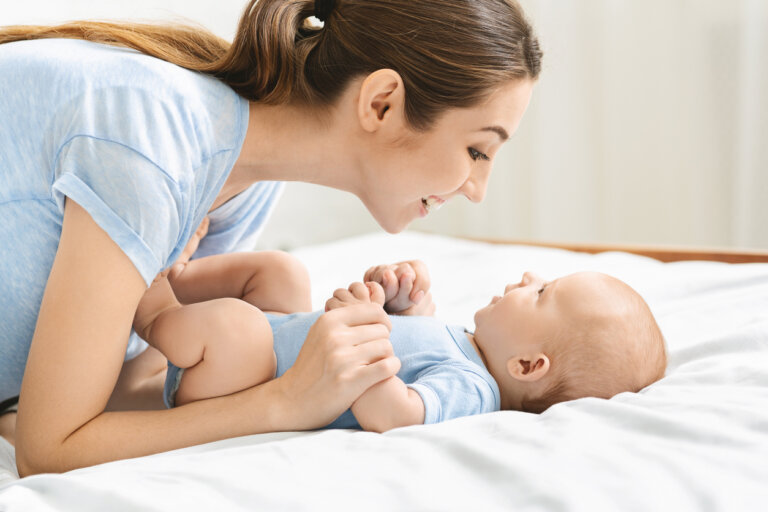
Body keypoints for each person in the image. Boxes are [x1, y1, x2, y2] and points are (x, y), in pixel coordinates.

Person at [0, 0, 542, 475]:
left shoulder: (244, 181)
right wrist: (284, 401)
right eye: (478, 150)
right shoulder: (154, 141)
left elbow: (151, 373)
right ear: (382, 103)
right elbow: (49, 450)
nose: (477, 190)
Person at [135, 253, 667, 431]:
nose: (527, 277)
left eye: (543, 292)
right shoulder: (467, 343)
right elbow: (413, 349)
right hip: (278, 339)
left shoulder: (474, 390)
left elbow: (394, 414)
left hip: (244, 377)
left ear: (527, 365)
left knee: (236, 325)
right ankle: (180, 270)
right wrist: (399, 306)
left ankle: (153, 308)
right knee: (281, 271)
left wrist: (358, 326)